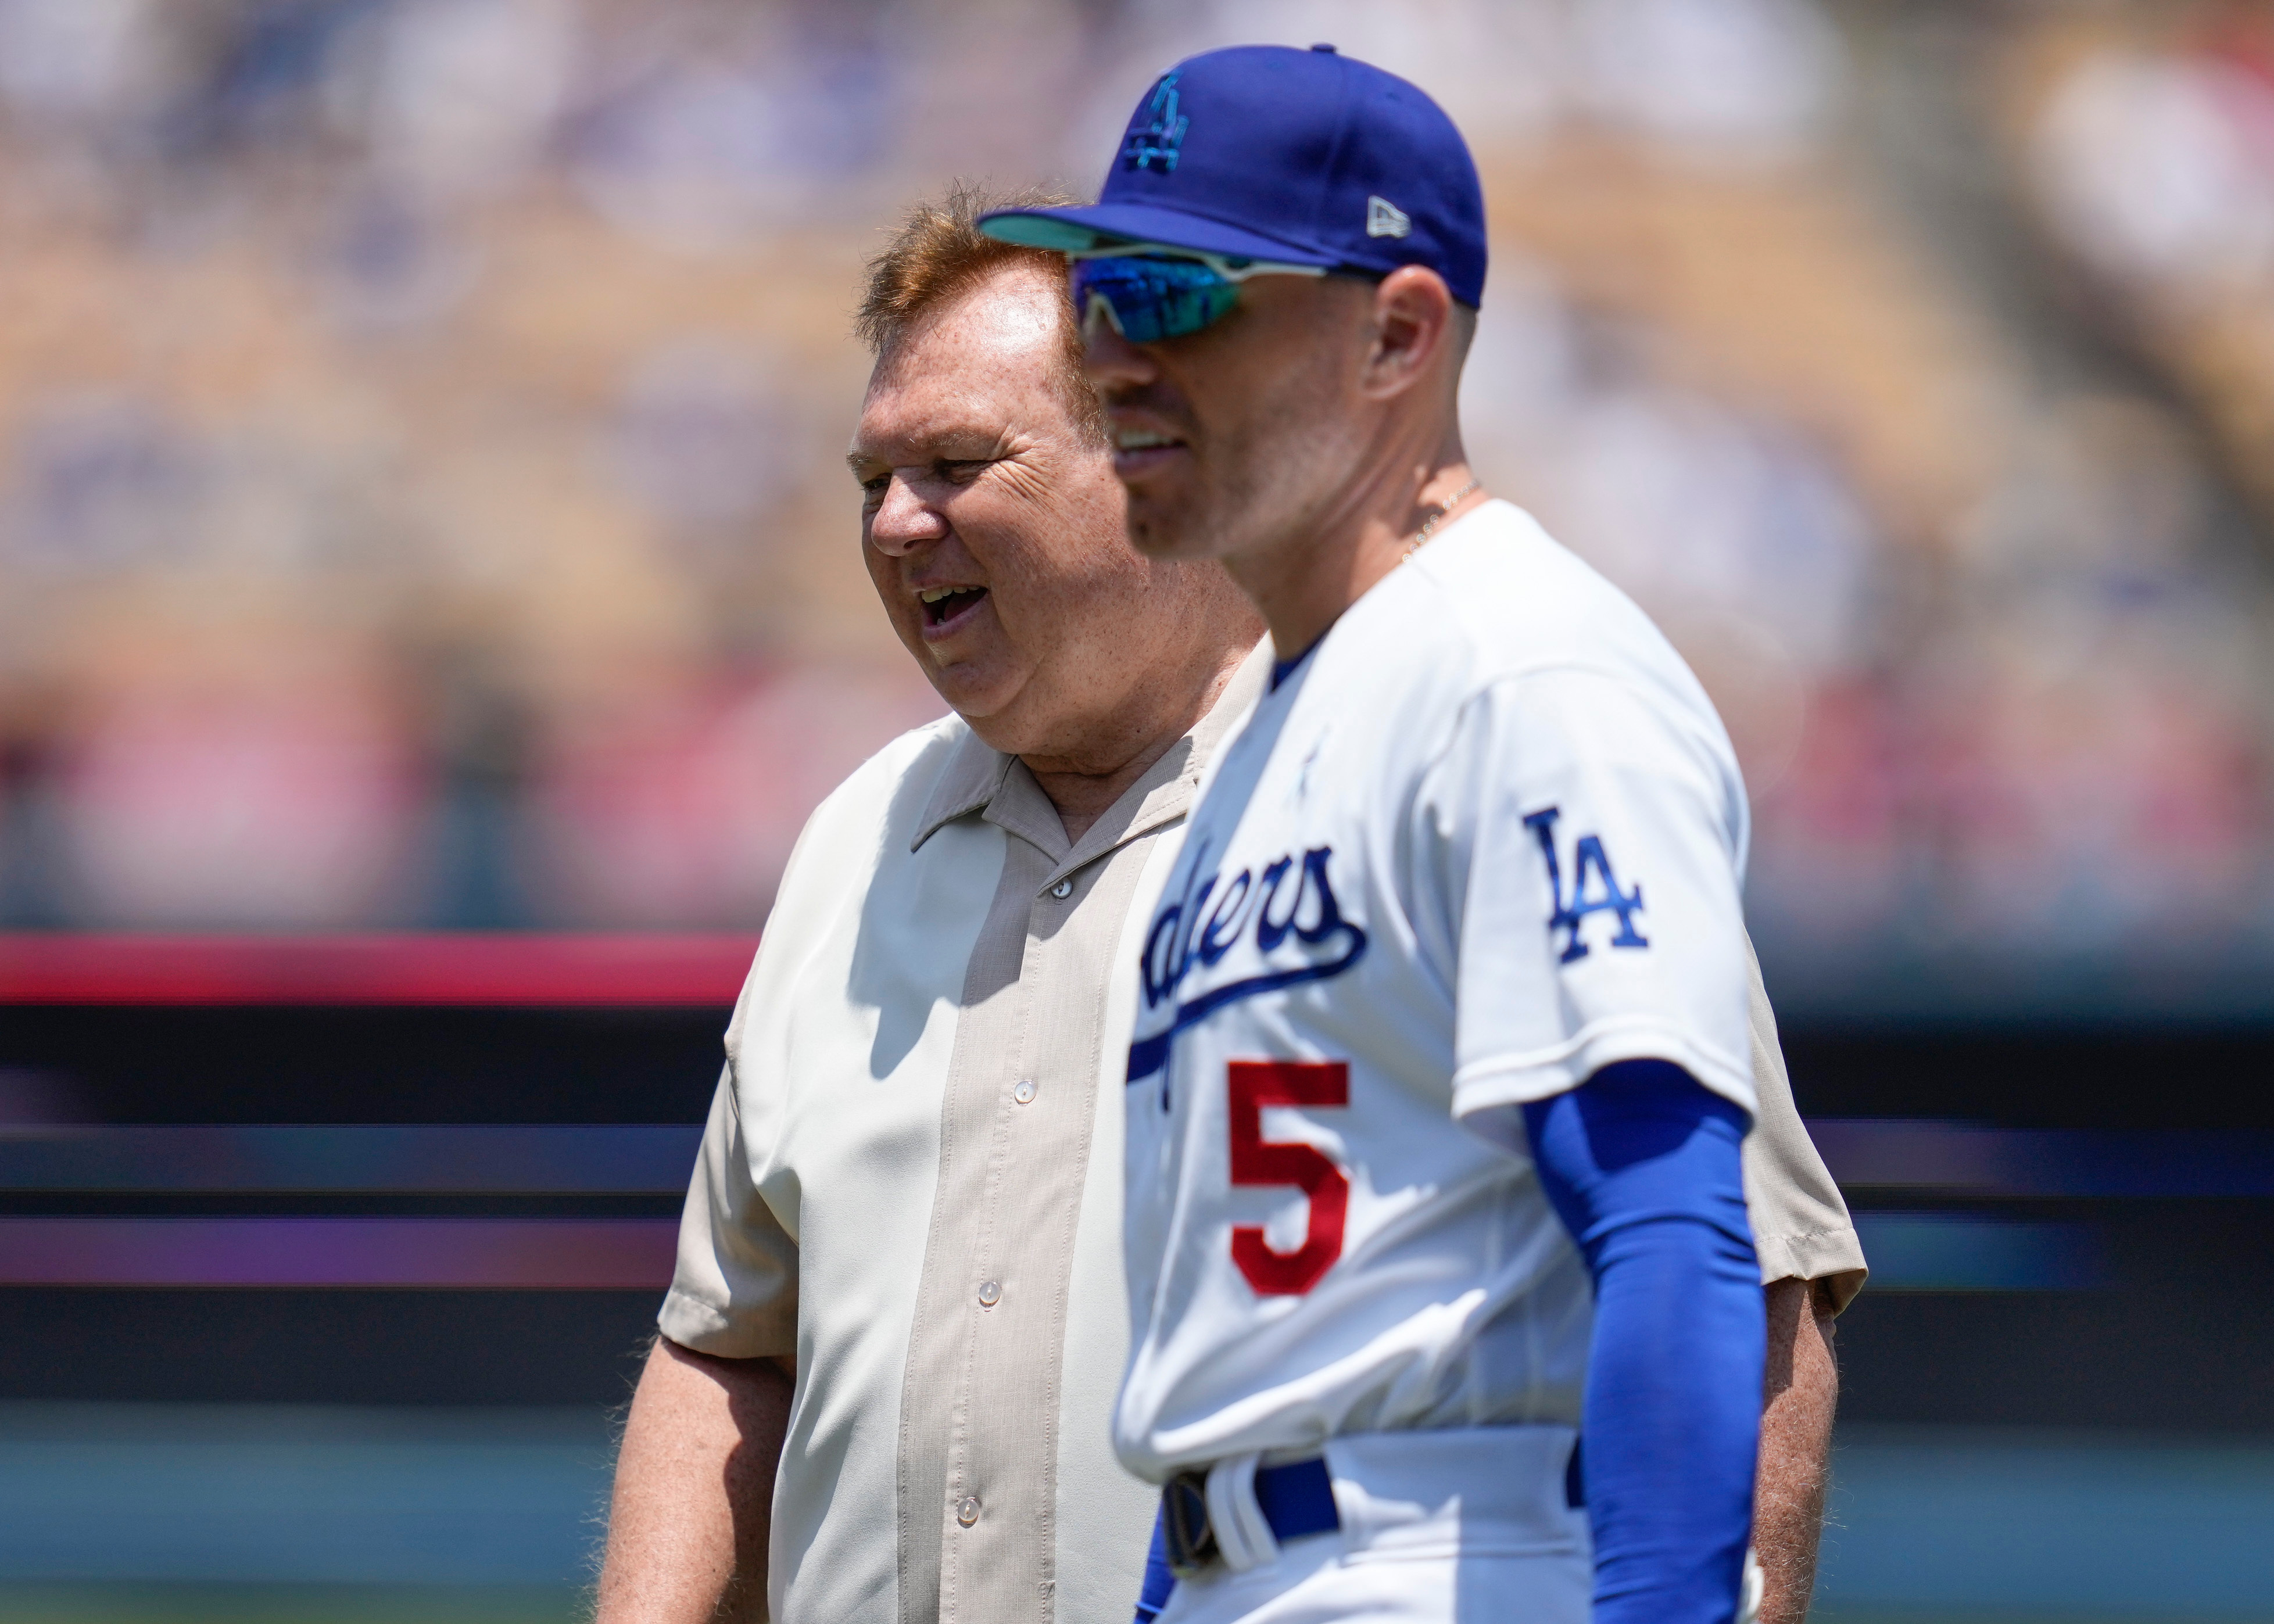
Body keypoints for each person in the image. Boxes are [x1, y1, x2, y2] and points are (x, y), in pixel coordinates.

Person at [593, 178, 1860, 1623]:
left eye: (955, 463)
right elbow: (729, 1349)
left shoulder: (1455, 765)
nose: (894, 524)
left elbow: (1748, 1322)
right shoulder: (852, 841)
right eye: (870, 478)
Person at [979, 43, 1861, 1624]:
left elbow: (1672, 1227)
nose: (1114, 354)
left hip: (1451, 1557)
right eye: (1102, 293)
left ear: (1395, 333)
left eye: (1182, 294)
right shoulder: (1262, 728)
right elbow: (1232, 1351)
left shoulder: (1523, 664)